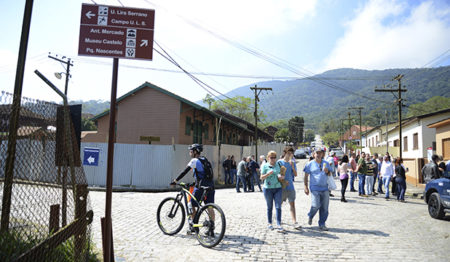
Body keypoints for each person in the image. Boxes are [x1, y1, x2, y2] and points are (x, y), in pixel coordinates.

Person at [171, 144, 215, 235]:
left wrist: (175, 181)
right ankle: (211, 228)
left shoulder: (194, 160)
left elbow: (185, 171)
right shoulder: (205, 160)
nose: (190, 153)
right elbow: (204, 175)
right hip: (210, 186)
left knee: (191, 204)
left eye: (191, 151)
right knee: (210, 206)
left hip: (201, 187)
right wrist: (194, 183)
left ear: (195, 152)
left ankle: (194, 227)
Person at [303, 147, 332, 231]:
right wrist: (305, 187)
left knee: (325, 208)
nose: (319, 155)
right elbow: (305, 176)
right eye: (317, 153)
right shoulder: (309, 164)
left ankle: (322, 224)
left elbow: (331, 174)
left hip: (325, 188)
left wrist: (327, 172)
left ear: (323, 154)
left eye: (320, 153)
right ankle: (310, 215)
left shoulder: (326, 163)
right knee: (315, 205)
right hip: (314, 188)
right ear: (313, 154)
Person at [277, 146, 301, 229]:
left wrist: (293, 166)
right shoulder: (279, 162)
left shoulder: (293, 162)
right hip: (281, 187)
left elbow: (295, 174)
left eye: (291, 153)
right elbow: (277, 174)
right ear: (285, 153)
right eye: (288, 153)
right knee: (279, 204)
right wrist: (283, 180)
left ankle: (294, 222)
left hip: (290, 186)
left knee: (292, 204)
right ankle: (278, 220)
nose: (290, 155)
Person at [260, 151, 285, 232]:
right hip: (268, 189)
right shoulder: (265, 166)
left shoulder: (279, 165)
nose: (273, 159)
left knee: (278, 207)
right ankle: (270, 223)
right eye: (271, 157)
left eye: (274, 157)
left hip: (278, 188)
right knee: (269, 207)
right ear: (268, 158)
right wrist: (267, 174)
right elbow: (261, 177)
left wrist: (282, 177)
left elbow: (283, 174)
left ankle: (279, 224)